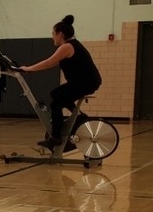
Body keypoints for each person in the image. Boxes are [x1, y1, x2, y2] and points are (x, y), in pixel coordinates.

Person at [19, 15, 102, 150]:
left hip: (86, 82)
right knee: (56, 94)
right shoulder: (70, 46)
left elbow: (48, 63)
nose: (52, 37)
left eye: (53, 34)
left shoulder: (67, 47)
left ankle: (56, 137)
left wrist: (28, 69)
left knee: (55, 103)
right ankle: (80, 116)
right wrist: (29, 69)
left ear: (60, 34)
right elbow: (53, 63)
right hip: (86, 82)